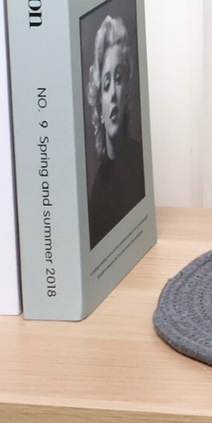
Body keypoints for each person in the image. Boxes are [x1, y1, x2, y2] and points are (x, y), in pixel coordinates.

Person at [84, 13, 145, 248]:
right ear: (99, 102)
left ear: (126, 91)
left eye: (118, 79)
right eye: (106, 84)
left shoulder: (138, 162)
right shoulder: (98, 191)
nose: (112, 94)